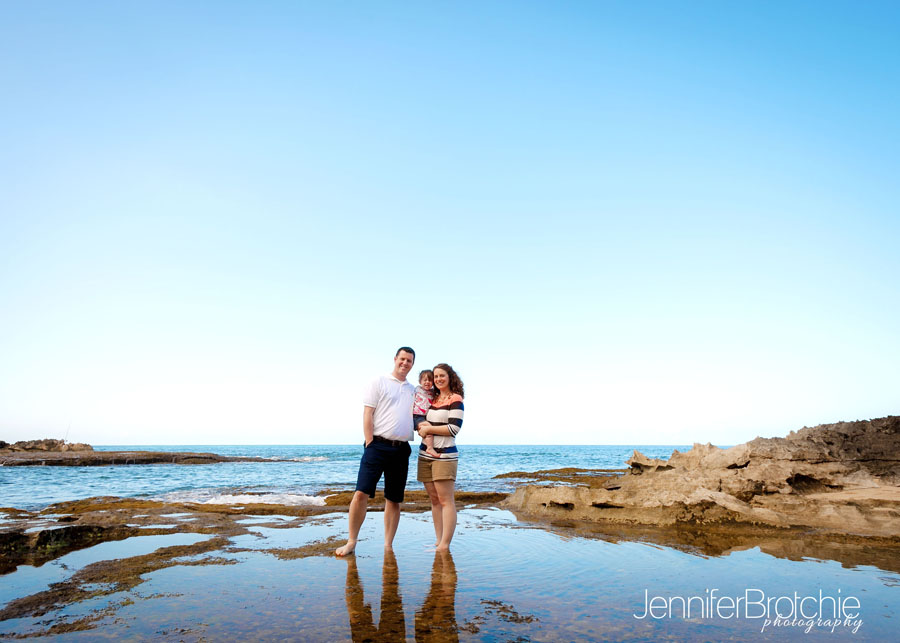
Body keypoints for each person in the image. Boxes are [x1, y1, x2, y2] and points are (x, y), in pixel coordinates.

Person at [335, 347, 416, 557]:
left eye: (409, 361)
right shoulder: (378, 381)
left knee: (394, 499)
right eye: (402, 359)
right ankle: (351, 541)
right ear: (395, 359)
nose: (405, 363)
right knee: (361, 493)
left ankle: (388, 546)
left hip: (401, 450)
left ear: (412, 364)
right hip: (376, 446)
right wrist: (370, 442)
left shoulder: (412, 389)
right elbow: (367, 413)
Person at [416, 363, 465, 551]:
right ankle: (438, 541)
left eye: (441, 376)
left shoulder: (456, 399)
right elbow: (419, 419)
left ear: (450, 377)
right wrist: (421, 428)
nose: (438, 379)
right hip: (425, 454)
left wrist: (429, 429)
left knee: (446, 501)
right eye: (435, 376)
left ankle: (445, 544)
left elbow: (453, 429)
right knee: (434, 500)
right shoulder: (433, 399)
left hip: (445, 456)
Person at [413, 369, 440, 458]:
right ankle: (430, 448)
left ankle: (428, 446)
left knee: (426, 430)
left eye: (430, 380)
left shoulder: (433, 393)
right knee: (429, 428)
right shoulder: (416, 389)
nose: (427, 382)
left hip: (424, 416)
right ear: (420, 381)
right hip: (416, 416)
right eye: (425, 380)